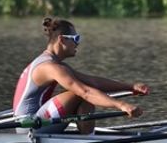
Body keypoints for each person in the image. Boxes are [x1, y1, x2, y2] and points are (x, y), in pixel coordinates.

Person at [12, 17, 149, 134]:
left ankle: (88, 138)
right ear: (62, 40)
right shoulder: (50, 67)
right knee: (81, 92)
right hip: (29, 126)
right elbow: (85, 91)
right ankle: (90, 142)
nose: (78, 43)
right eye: (76, 38)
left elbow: (92, 81)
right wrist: (122, 105)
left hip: (38, 119)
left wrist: (131, 87)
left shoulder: (55, 64)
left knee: (85, 89)